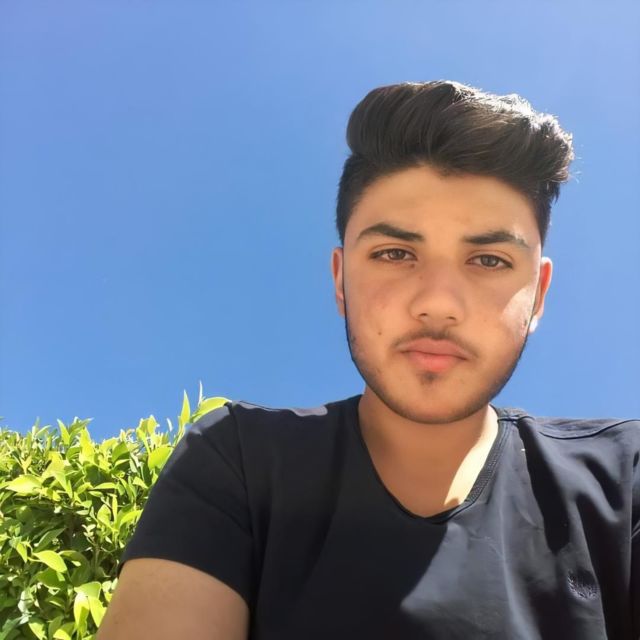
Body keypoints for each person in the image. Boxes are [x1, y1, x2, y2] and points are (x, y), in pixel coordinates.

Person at [97, 81, 639, 639]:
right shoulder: (236, 462)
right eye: (395, 253)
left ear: (539, 295)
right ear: (340, 280)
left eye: (489, 260)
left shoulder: (624, 481)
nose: (438, 303)